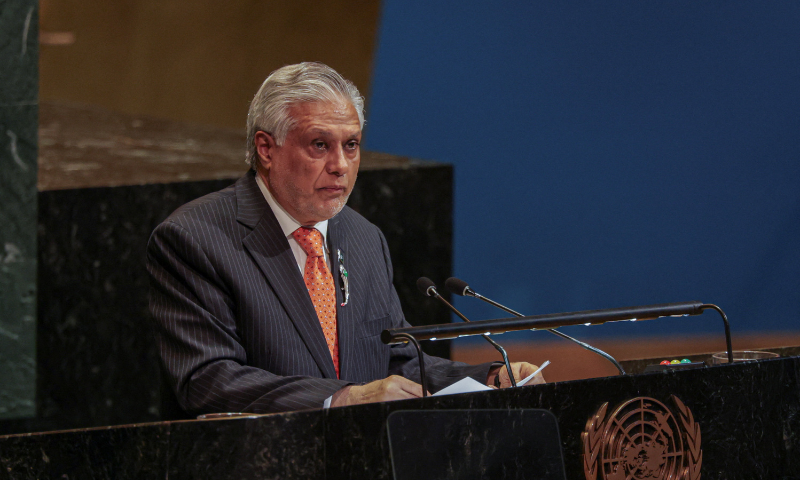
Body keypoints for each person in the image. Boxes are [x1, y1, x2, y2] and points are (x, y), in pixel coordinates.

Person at [147, 62, 544, 415]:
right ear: (266, 148)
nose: (340, 165)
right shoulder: (195, 239)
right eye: (319, 145)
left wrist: (488, 377)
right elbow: (208, 379)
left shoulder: (363, 237)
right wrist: (341, 398)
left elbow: (396, 362)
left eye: (351, 145)